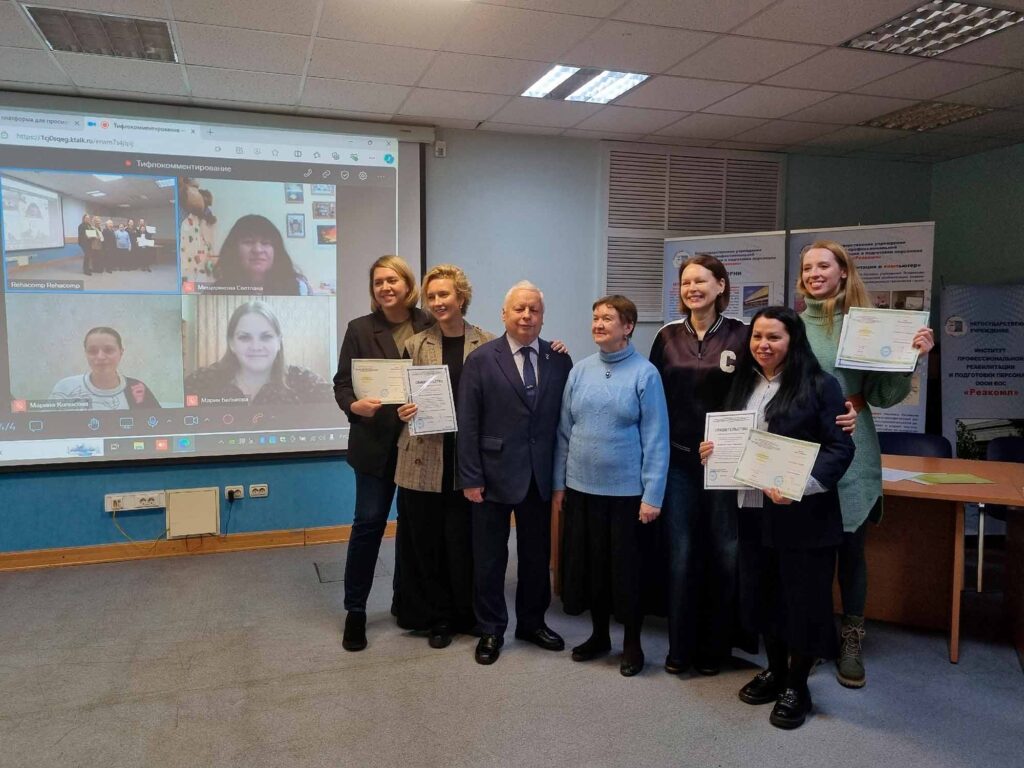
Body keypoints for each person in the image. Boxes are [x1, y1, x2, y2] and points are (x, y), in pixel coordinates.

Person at [651, 255, 857, 676]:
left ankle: (735, 655)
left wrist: (841, 418)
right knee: (704, 562)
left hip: (760, 483)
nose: (693, 288)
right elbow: (662, 399)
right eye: (685, 282)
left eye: (702, 281)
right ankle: (698, 652)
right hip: (697, 469)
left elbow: (814, 422)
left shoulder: (760, 345)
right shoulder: (674, 341)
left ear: (722, 285)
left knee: (745, 565)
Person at [700, 306, 855, 730]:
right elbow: (729, 436)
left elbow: (840, 451)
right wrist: (712, 451)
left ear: (794, 341)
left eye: (774, 338)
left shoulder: (821, 386)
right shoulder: (740, 383)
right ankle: (775, 670)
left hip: (803, 515)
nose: (763, 345)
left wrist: (798, 487)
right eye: (757, 338)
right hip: (751, 509)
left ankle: (798, 684)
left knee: (802, 601)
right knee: (762, 594)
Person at [796, 240, 934, 689]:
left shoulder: (867, 326)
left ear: (842, 272)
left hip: (855, 444)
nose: (815, 273)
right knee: (808, 551)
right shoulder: (791, 326)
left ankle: (851, 637)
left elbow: (882, 396)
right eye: (807, 267)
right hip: (803, 445)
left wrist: (910, 356)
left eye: (823, 266)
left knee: (851, 550)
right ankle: (813, 637)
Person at [458, 280, 573, 665]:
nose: (527, 316)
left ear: (542, 316)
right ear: (504, 315)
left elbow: (562, 422)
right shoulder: (480, 359)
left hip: (538, 478)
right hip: (490, 477)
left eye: (534, 310)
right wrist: (470, 477)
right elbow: (468, 423)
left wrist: (560, 480)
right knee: (489, 558)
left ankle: (532, 622)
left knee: (536, 557)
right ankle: (491, 628)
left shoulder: (558, 359)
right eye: (519, 309)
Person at [553, 295, 669, 676]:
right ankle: (599, 635)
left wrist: (653, 495)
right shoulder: (580, 371)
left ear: (628, 326)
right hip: (583, 490)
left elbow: (656, 439)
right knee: (592, 568)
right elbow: (564, 433)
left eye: (608, 318)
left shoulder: (645, 373)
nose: (599, 324)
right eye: (595, 318)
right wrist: (560, 484)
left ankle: (632, 643)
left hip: (627, 496)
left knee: (626, 571)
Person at [333, 256, 434, 652]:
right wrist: (353, 406)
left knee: (413, 529)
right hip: (374, 444)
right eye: (378, 282)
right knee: (369, 525)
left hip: (420, 444)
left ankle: (408, 604)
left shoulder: (430, 322)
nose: (385, 288)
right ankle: (355, 611)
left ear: (407, 284)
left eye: (392, 280)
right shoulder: (359, 328)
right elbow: (343, 383)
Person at [394, 265, 494, 648]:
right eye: (431, 297)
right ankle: (438, 618)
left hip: (467, 460)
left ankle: (467, 614)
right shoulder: (415, 345)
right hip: (423, 456)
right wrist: (402, 410)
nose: (437, 303)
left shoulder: (486, 343)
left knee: (464, 541)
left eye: (444, 295)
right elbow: (403, 399)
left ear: (461, 298)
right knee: (428, 542)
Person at [184, 301, 331, 406]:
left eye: (266, 337)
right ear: (231, 343)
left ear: (279, 341)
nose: (256, 346)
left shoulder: (303, 381)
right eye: (245, 337)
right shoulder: (201, 382)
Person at [50, 327, 161, 410]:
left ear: (121, 352)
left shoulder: (137, 389)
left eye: (108, 350)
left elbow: (158, 426)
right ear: (86, 354)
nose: (100, 357)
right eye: (93, 351)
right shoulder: (65, 388)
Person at [214, 215, 311, 296]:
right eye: (248, 242)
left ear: (276, 250)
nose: (258, 250)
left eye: (265, 243)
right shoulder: (216, 291)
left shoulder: (300, 289)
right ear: (234, 249)